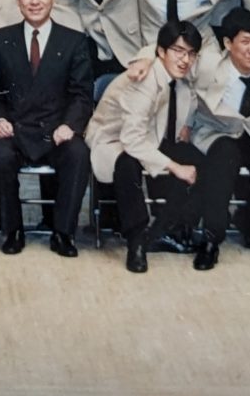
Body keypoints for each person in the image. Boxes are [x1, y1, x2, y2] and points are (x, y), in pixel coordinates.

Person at [0, 0, 96, 256]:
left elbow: (82, 95)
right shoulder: (0, 39)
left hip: (55, 130)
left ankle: (63, 233)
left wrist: (70, 125)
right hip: (17, 129)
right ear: (18, 0)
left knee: (78, 153)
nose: (34, 1)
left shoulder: (74, 41)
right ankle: (13, 230)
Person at [87, 18, 205, 274]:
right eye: (178, 51)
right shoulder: (144, 79)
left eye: (191, 53)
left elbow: (193, 86)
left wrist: (186, 126)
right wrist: (174, 167)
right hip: (112, 139)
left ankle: (163, 229)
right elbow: (131, 140)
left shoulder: (174, 70)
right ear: (161, 51)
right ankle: (137, 240)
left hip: (149, 135)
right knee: (128, 163)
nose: (185, 60)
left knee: (197, 159)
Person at [183, 7, 250, 267]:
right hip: (219, 132)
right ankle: (211, 239)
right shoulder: (208, 64)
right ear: (228, 43)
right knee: (223, 161)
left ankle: (249, 220)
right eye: (245, 42)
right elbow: (166, 56)